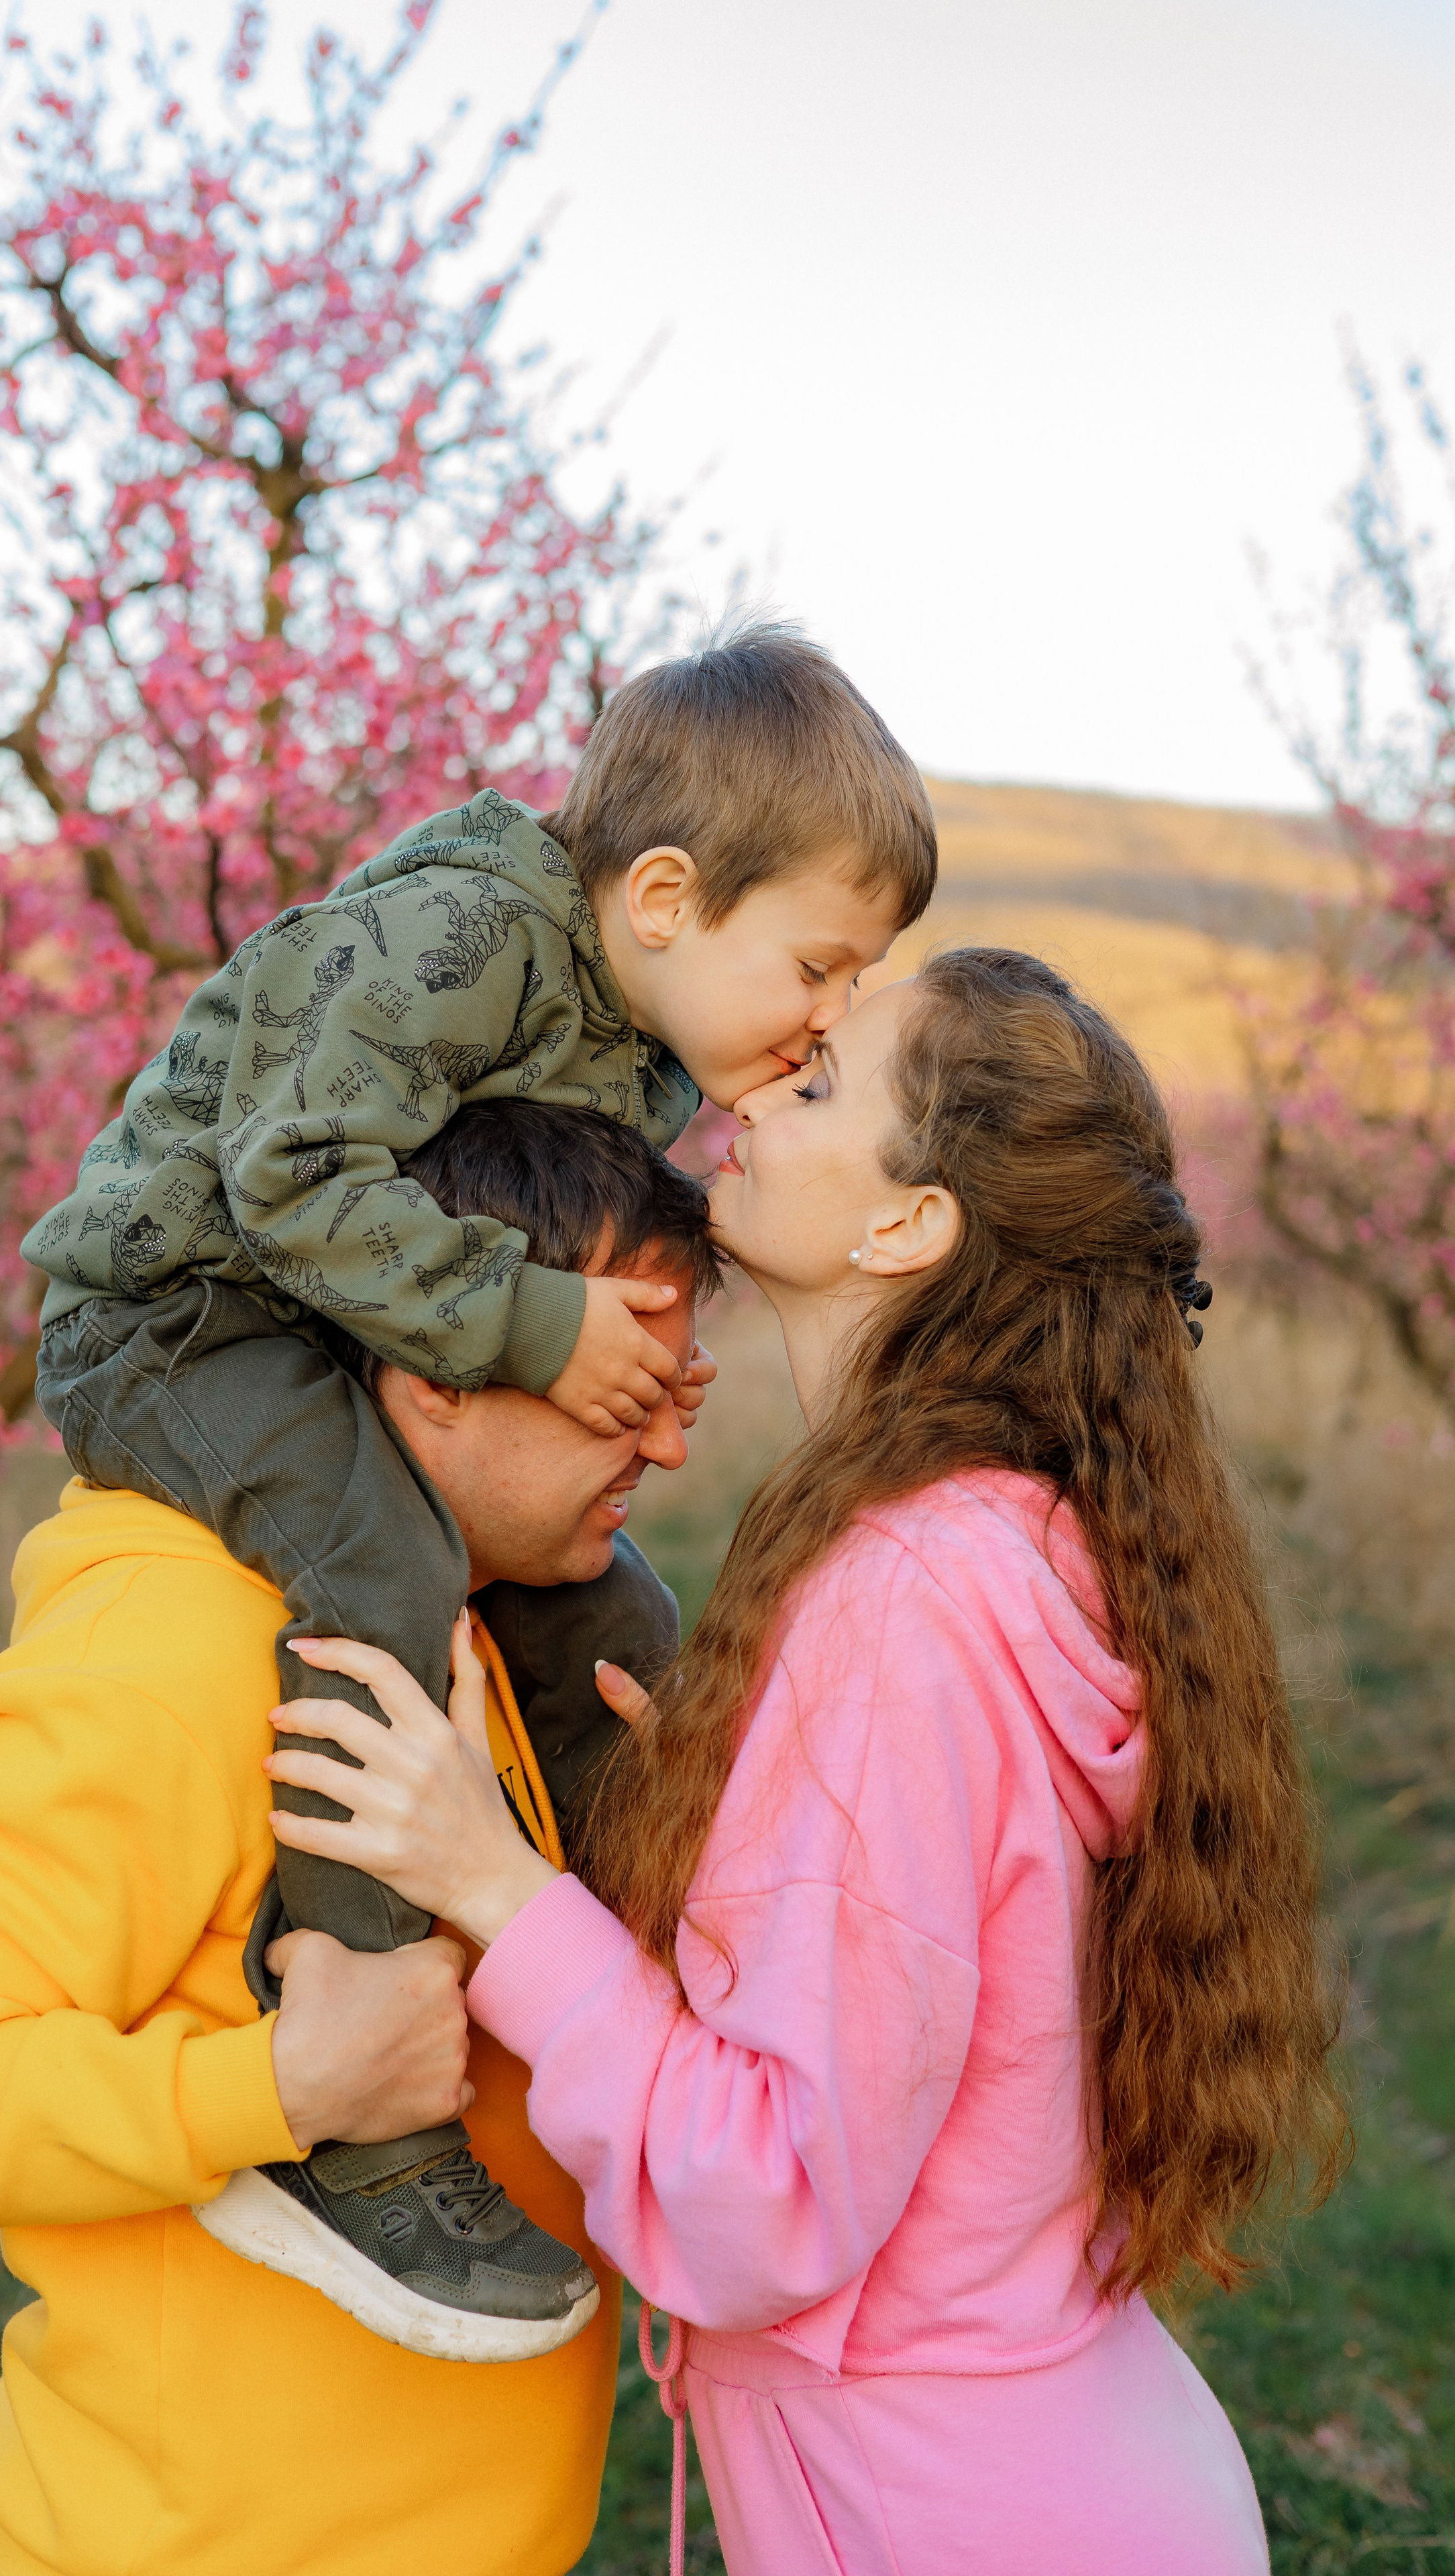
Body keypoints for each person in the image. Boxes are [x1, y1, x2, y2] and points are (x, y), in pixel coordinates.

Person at [263, 951, 1346, 2576]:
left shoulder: (901, 1598)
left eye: (823, 1083)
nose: (758, 1087)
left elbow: (762, 2204)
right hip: (1067, 2463)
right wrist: (721, 1859)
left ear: (907, 1226)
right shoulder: (1021, 1541)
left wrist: (494, 1884)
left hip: (957, 2518)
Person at [19, 622, 936, 2349]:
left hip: (337, 1333)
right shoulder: (456, 942)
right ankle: (355, 2098)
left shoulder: (636, 1029)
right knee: (382, 1570)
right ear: (661, 898)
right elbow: (284, 1173)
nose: (833, 1016)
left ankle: (645, 1961)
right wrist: (534, 1325)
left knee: (612, 1604)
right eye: (818, 966)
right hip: (181, 1316)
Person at [0, 1106, 718, 2576]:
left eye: (683, 1393)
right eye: (621, 1400)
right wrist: (277, 2088)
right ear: (437, 1371)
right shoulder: (171, 1648)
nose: (665, 1445)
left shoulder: (494, 1625)